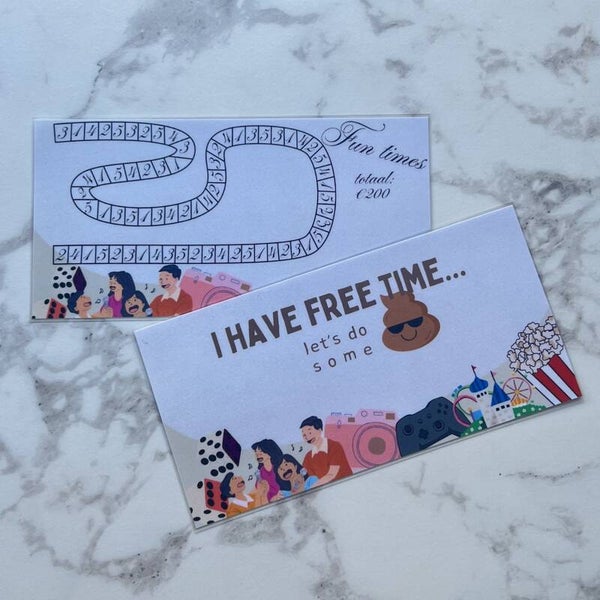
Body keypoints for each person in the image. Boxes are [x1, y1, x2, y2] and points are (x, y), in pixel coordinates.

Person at [300, 416, 352, 486]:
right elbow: (306, 478)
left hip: (346, 486)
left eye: (309, 432)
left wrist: (314, 486)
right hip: (324, 491)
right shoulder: (308, 457)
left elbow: (332, 474)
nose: (307, 437)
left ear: (319, 430)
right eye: (304, 435)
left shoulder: (334, 446)